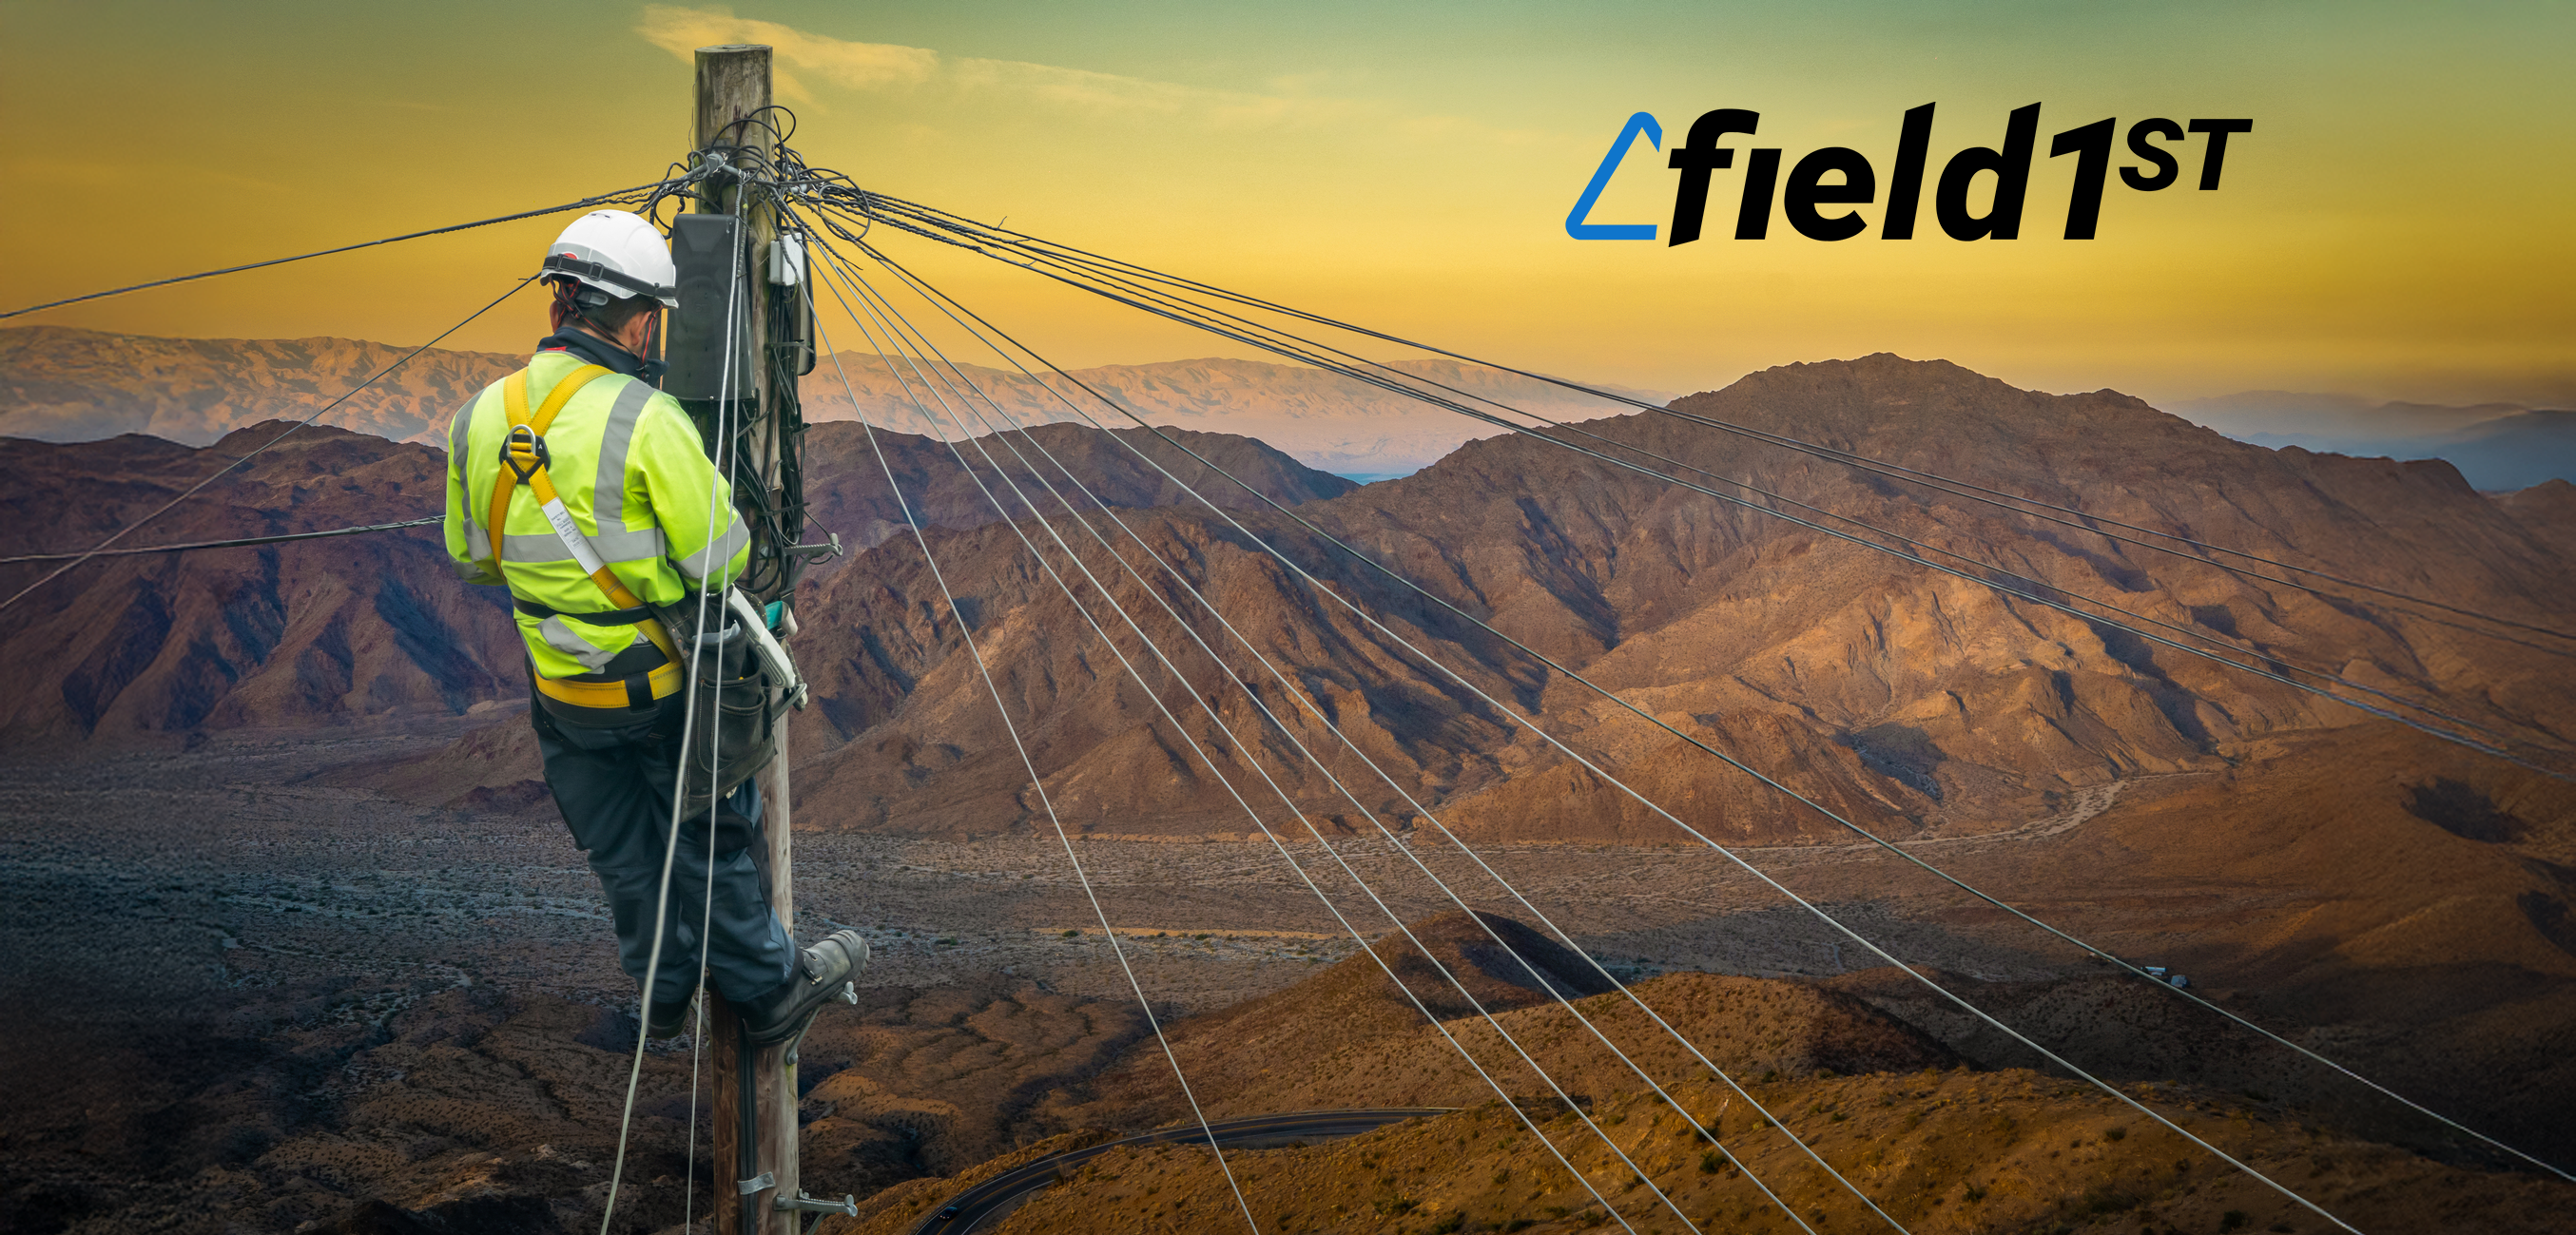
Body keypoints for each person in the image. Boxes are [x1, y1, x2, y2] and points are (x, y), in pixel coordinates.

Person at [441, 208, 862, 1046]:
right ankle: (770, 988)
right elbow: (722, 558)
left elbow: (475, 558)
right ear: (637, 316)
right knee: (708, 835)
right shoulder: (645, 418)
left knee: (623, 851)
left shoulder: (477, 418)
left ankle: (663, 989)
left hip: (561, 690)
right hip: (663, 685)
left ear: (560, 304)